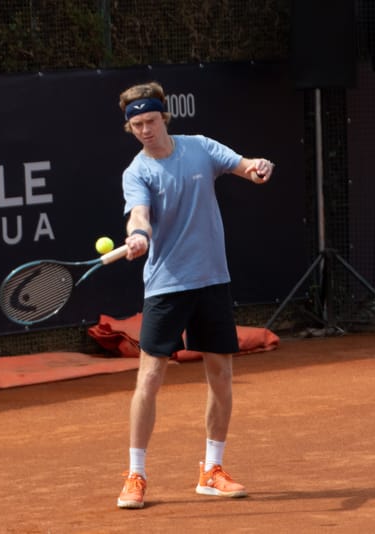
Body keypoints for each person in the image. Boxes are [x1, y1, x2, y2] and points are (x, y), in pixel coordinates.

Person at [116, 81, 275, 509]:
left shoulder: (200, 148)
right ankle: (135, 474)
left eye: (150, 121)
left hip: (212, 280)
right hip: (167, 286)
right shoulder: (137, 172)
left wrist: (258, 166)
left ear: (164, 117)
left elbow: (245, 166)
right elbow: (140, 214)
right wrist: (138, 236)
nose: (144, 130)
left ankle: (211, 469)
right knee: (149, 379)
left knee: (220, 376)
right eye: (136, 125)